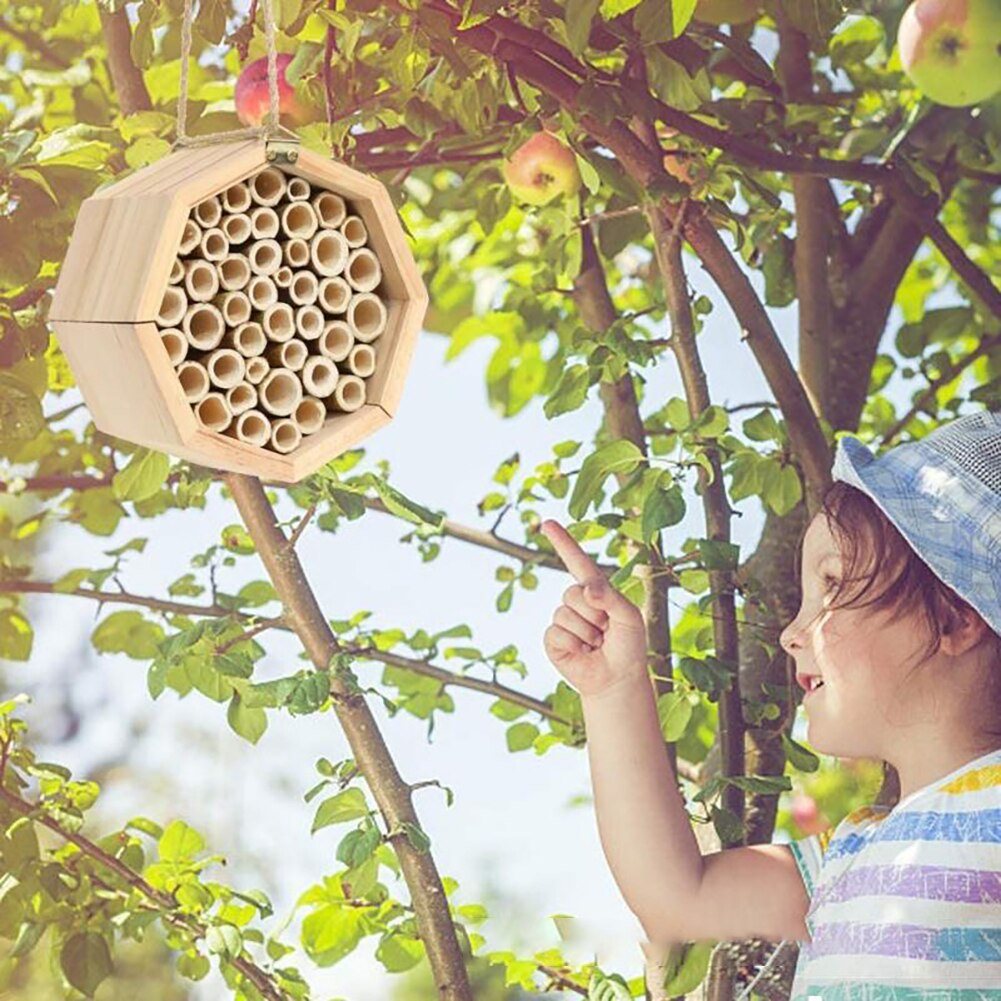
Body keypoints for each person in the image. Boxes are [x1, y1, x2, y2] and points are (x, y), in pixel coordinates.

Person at [539, 409, 1001, 999]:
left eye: (832, 586)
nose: (791, 632)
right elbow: (677, 897)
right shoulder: (848, 854)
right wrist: (613, 690)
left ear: (956, 617)